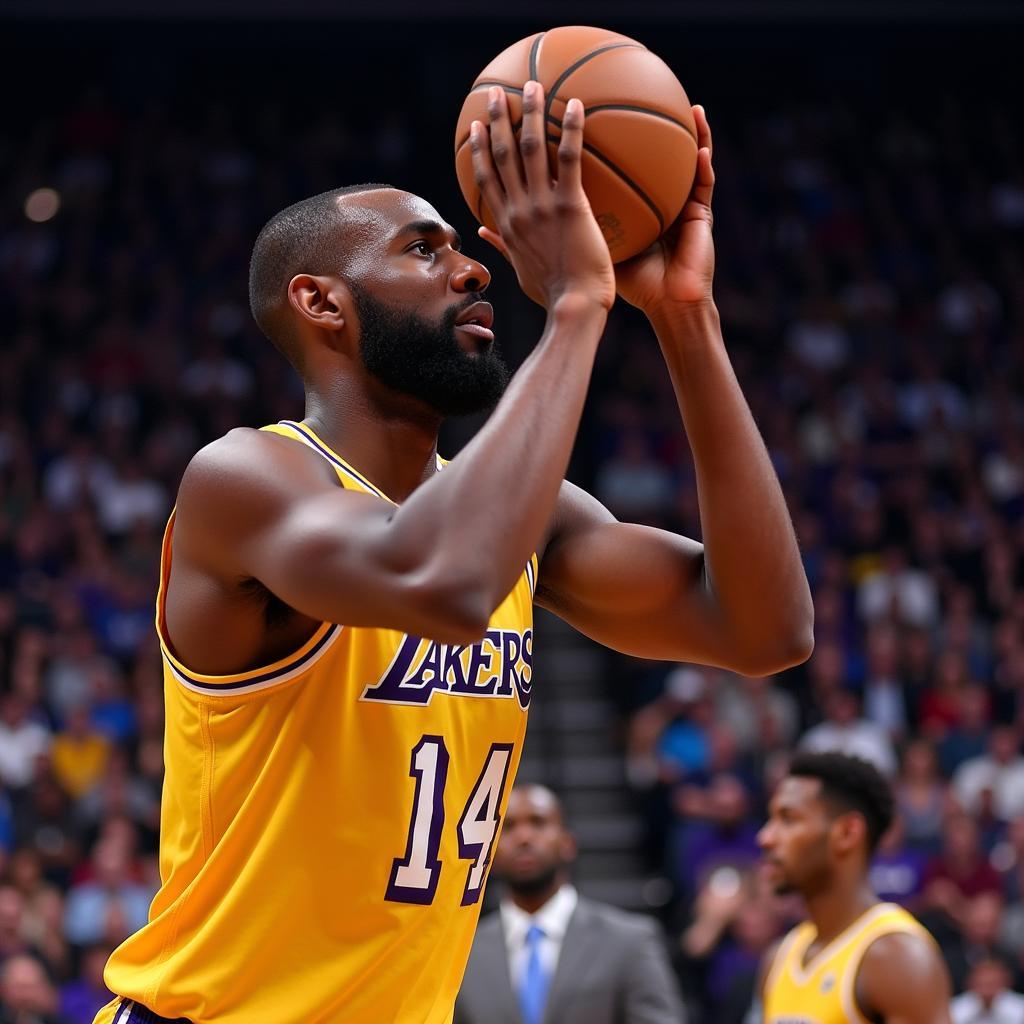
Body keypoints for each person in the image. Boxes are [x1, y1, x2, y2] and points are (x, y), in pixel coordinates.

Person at [93, 83, 812, 1024]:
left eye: (463, 248)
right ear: (322, 302)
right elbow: (445, 579)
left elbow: (766, 628)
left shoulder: (527, 519)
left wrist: (686, 320)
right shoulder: (245, 479)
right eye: (423, 248)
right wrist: (578, 306)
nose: (471, 270)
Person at [454, 785, 684, 1024]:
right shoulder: (462, 954)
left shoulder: (630, 941)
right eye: (508, 827)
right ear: (490, 852)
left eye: (538, 823)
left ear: (568, 843)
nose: (524, 837)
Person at [755, 751, 951, 1024]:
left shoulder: (896, 957)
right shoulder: (778, 958)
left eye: (788, 819)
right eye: (770, 819)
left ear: (847, 833)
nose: (765, 837)